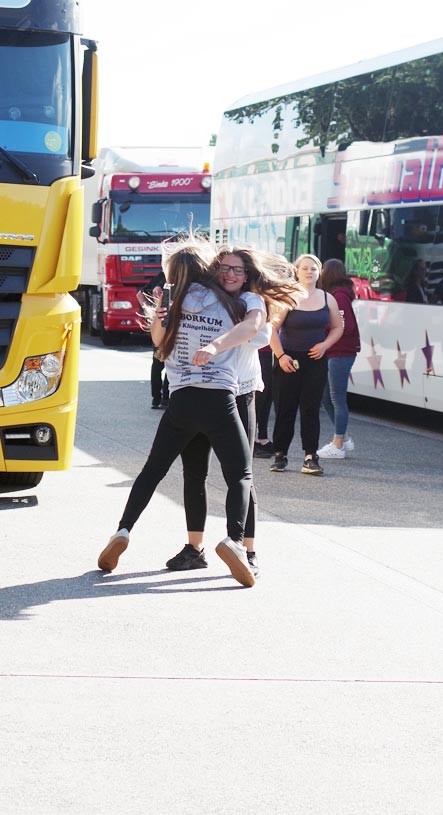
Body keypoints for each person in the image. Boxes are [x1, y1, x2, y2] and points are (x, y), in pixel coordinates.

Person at [97, 238, 263, 587]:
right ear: (209, 269)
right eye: (224, 268)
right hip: (220, 398)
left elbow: (158, 343)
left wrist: (161, 312)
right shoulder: (236, 303)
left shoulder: (172, 302)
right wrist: (216, 344)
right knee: (240, 475)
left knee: (154, 471)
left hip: (181, 400)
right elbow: (255, 329)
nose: (229, 274)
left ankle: (123, 529)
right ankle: (236, 542)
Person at [166, 247, 299, 575]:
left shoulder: (252, 303)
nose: (229, 275)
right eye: (224, 268)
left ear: (248, 275)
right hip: (201, 391)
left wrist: (219, 339)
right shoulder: (203, 298)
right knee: (194, 471)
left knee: (240, 474)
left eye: (237, 270)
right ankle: (194, 548)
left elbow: (259, 334)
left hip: (240, 393)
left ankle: (247, 550)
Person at [268, 253, 341, 475]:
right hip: (289, 359)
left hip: (315, 360)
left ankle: (310, 456)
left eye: (314, 268)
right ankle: (280, 454)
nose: (309, 272)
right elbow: (272, 329)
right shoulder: (288, 297)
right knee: (285, 408)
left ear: (319, 272)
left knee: (310, 409)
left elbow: (338, 327)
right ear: (296, 272)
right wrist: (281, 356)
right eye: (305, 268)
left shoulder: (328, 298)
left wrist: (325, 345)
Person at [315, 259, 361, 460]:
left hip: (341, 352)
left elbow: (345, 326)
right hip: (336, 352)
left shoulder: (339, 297)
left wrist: (324, 330)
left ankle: (338, 443)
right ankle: (344, 437)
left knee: (337, 398)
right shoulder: (339, 295)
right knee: (327, 397)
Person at [140, 272, 169, 409]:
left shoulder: (162, 275)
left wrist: (149, 313)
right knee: (169, 363)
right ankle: (165, 399)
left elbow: (139, 294)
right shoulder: (169, 277)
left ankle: (156, 398)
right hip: (169, 326)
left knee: (157, 365)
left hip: (160, 325)